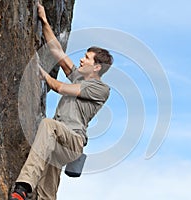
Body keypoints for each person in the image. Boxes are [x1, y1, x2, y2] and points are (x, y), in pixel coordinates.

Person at [9, 3, 114, 200]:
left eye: (87, 58)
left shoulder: (100, 89)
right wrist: (44, 20)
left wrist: (42, 74)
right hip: (56, 140)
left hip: (71, 141)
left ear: (97, 67)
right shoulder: (79, 77)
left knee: (48, 125)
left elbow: (61, 88)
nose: (82, 60)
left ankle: (23, 187)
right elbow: (57, 51)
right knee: (47, 192)